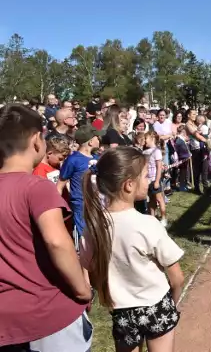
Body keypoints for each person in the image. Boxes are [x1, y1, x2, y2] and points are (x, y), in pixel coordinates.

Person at [0, 104, 92, 352]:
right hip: (47, 316)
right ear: (36, 141)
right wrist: (82, 290)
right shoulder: (37, 187)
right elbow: (57, 242)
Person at [79, 147, 184, 351]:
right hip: (156, 306)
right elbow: (177, 278)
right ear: (129, 185)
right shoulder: (147, 224)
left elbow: (89, 271)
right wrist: (174, 302)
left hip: (122, 312)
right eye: (145, 176)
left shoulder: (93, 228)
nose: (149, 179)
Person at [57, 124, 101, 249]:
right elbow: (60, 185)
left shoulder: (98, 158)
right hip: (81, 205)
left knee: (97, 238)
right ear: (91, 141)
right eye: (97, 137)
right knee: (83, 242)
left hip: (97, 204)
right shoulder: (73, 160)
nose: (99, 140)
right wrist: (59, 208)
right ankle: (83, 267)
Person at [144, 131, 167, 226]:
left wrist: (157, 181)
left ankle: (164, 218)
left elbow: (158, 167)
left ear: (152, 139)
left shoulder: (156, 151)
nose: (144, 140)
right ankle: (152, 217)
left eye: (146, 138)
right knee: (151, 200)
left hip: (154, 179)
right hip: (147, 180)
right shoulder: (145, 151)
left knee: (159, 199)